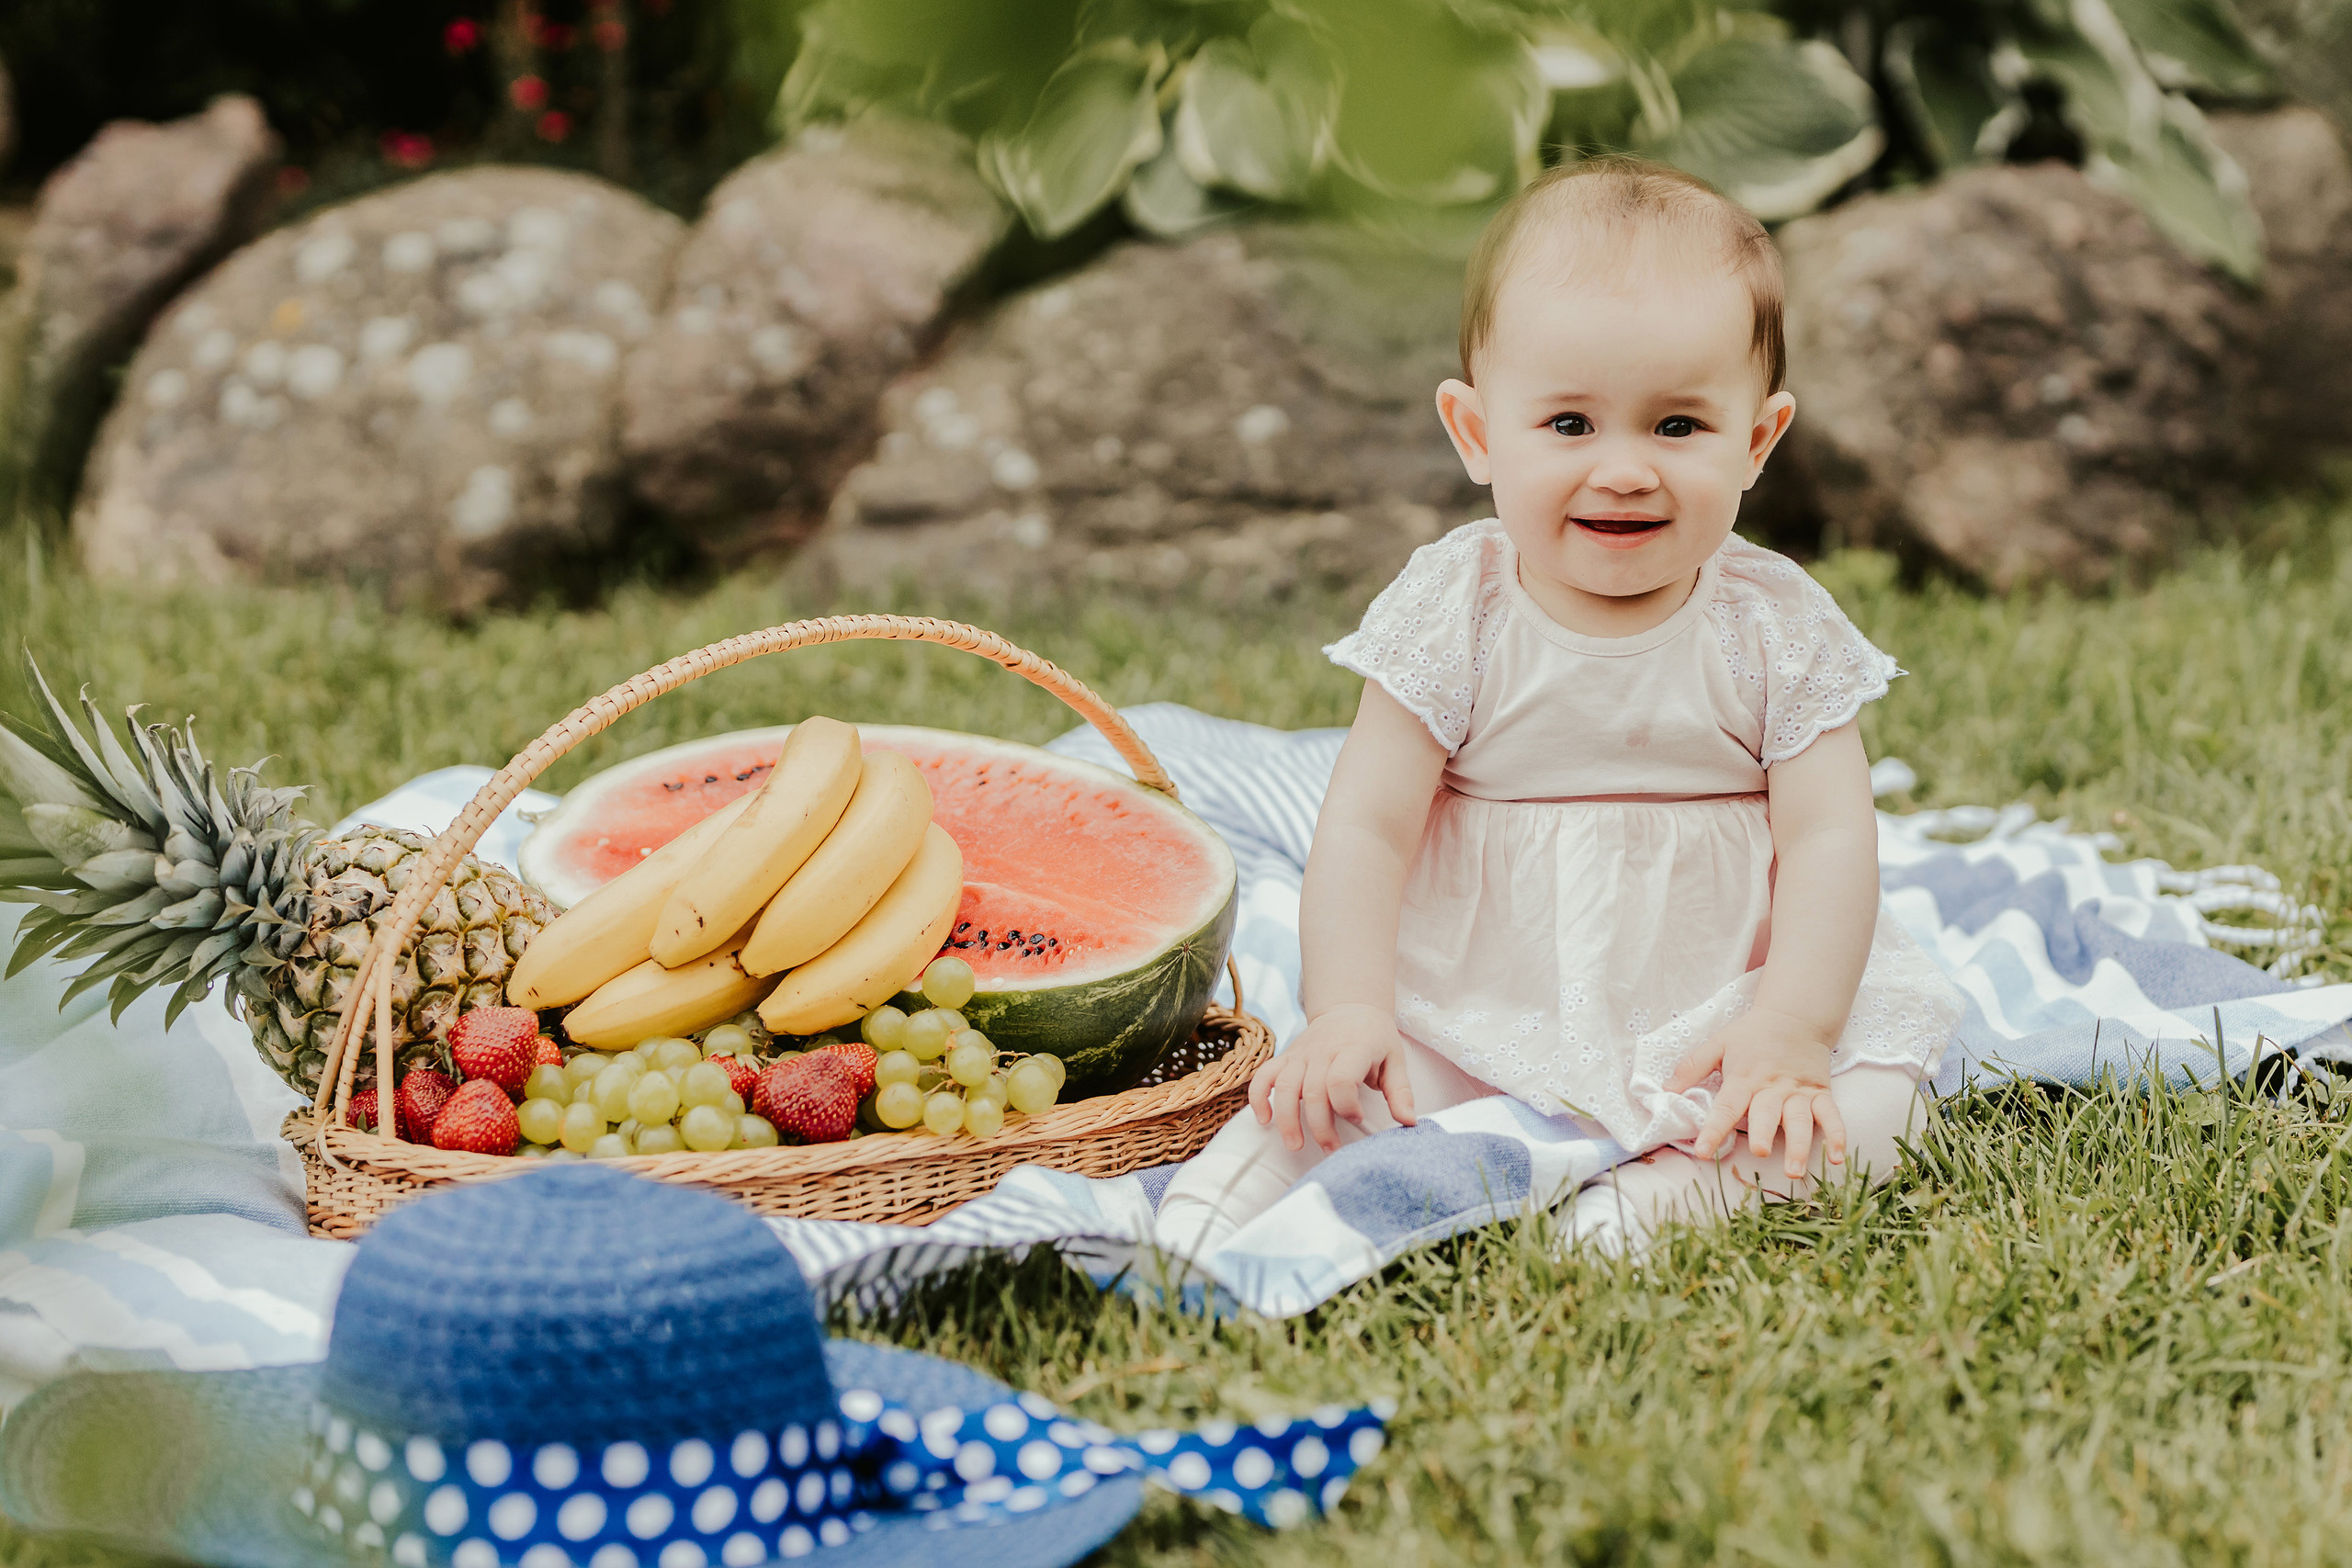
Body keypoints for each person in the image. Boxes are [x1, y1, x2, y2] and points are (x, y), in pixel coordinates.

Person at [1155, 156, 1965, 1262]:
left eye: (1678, 427)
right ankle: (1229, 1199)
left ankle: (1671, 1200)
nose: (1623, 470)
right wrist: (1350, 1011)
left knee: (1882, 1102)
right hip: (1484, 988)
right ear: (1479, 434)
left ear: (1758, 441)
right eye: (1571, 424)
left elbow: (1827, 835)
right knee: (1353, 1084)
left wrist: (1790, 1028)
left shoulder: (1774, 623)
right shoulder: (1458, 609)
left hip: (1723, 991)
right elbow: (1365, 827)